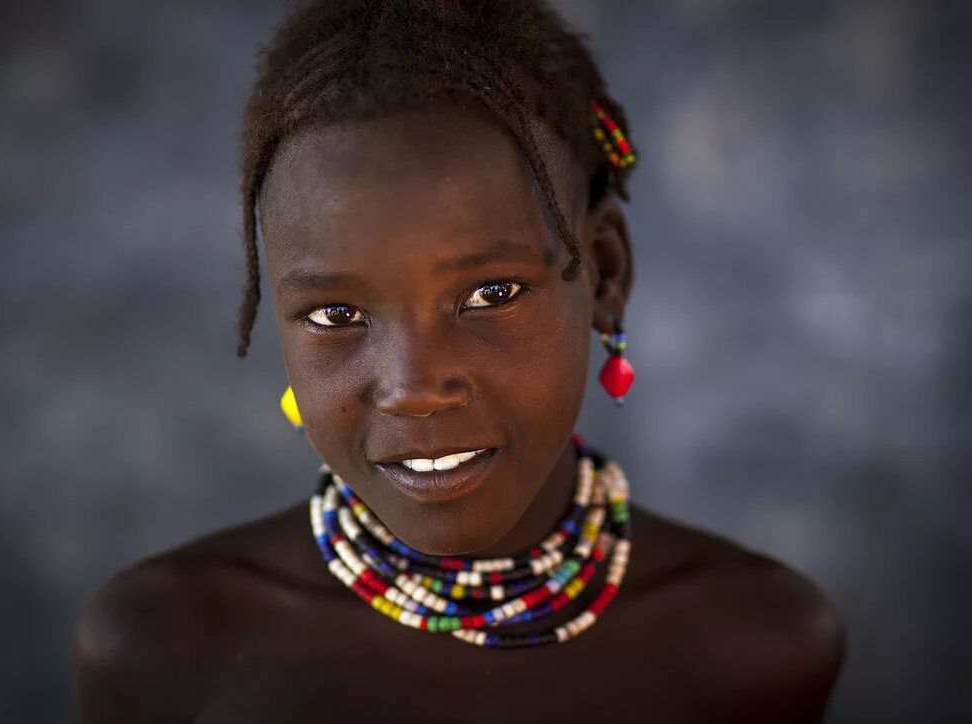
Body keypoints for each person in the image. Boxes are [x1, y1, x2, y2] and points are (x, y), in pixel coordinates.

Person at [74, 1, 846, 721]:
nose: (415, 389)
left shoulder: (759, 648)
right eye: (336, 315)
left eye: (491, 293)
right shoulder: (166, 651)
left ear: (605, 274)